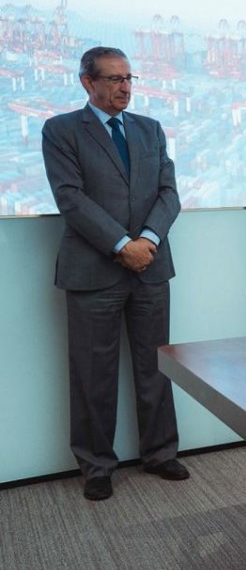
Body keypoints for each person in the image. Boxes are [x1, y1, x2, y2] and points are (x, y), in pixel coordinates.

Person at [41, 47, 188, 501]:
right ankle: (96, 466)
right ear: (87, 82)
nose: (125, 87)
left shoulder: (150, 129)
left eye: (129, 78)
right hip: (93, 270)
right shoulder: (61, 130)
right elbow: (71, 198)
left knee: (155, 365)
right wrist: (123, 245)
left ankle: (160, 453)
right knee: (93, 373)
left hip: (151, 266)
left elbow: (169, 193)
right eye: (114, 79)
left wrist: (148, 240)